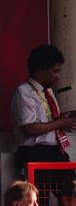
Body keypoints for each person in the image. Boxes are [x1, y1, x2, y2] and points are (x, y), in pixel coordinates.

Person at [11, 44, 76, 172]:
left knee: (69, 190)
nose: (58, 76)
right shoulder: (23, 92)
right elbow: (29, 128)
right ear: (40, 69)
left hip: (57, 151)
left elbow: (48, 119)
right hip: (35, 153)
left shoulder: (48, 91)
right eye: (54, 71)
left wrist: (64, 118)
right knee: (39, 192)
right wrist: (61, 122)